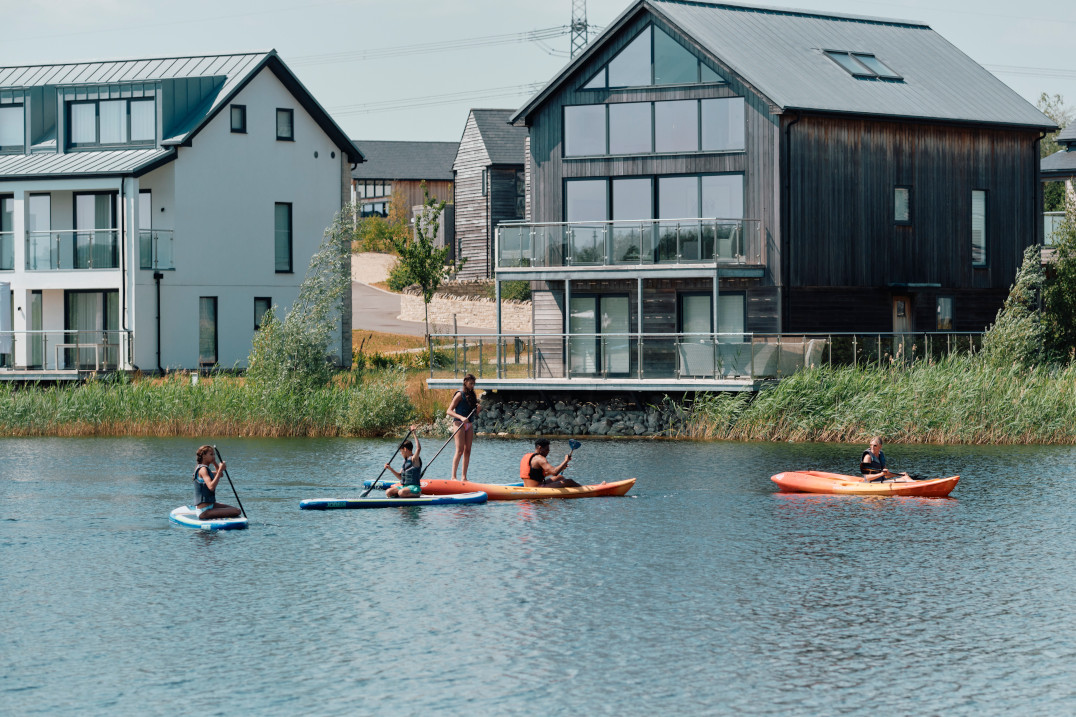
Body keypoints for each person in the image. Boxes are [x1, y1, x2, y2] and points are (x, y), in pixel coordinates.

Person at [446, 374, 480, 481]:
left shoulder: (473, 395)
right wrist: (461, 417)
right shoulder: (459, 394)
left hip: (469, 424)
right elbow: (449, 411)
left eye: (474, 384)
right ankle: (453, 477)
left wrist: (478, 409)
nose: (472, 386)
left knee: (468, 450)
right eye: (471, 383)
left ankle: (464, 477)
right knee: (460, 450)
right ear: (465, 382)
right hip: (458, 423)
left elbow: (475, 413)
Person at [193, 445, 242, 519]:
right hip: (204, 511)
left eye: (214, 454)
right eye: (211, 454)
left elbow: (220, 474)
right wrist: (220, 470)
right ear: (204, 456)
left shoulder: (206, 469)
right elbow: (211, 487)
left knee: (236, 509)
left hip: (211, 505)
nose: (213, 456)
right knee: (237, 511)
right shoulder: (203, 469)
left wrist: (214, 462)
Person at [385, 427, 423, 498]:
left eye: (401, 451)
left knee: (401, 492)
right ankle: (400, 497)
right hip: (405, 487)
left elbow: (418, 448)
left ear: (405, 449)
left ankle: (417, 494)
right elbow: (400, 477)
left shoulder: (414, 459)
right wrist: (390, 468)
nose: (401, 453)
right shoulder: (405, 461)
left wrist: (414, 433)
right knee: (388, 492)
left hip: (414, 487)